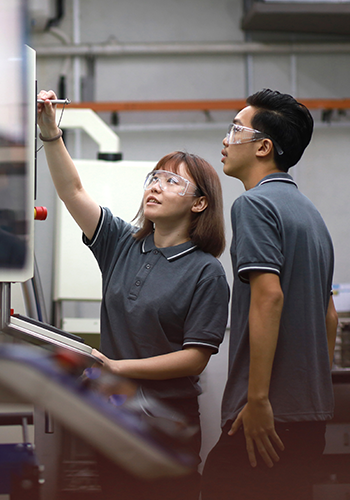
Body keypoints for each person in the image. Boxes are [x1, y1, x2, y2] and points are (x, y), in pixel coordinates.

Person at [37, 90, 229, 500]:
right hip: (115, 417)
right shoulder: (122, 242)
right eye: (154, 178)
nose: (156, 187)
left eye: (172, 181)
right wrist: (51, 134)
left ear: (199, 204)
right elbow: (72, 192)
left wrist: (121, 368)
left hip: (168, 422)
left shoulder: (206, 271)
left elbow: (196, 356)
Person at [200, 89, 337, 500]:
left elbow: (268, 297)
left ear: (263, 147)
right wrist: (311, 392)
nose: (225, 140)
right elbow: (329, 316)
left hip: (263, 417)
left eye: (235, 130)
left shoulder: (254, 206)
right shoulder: (310, 214)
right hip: (309, 417)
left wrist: (258, 399)